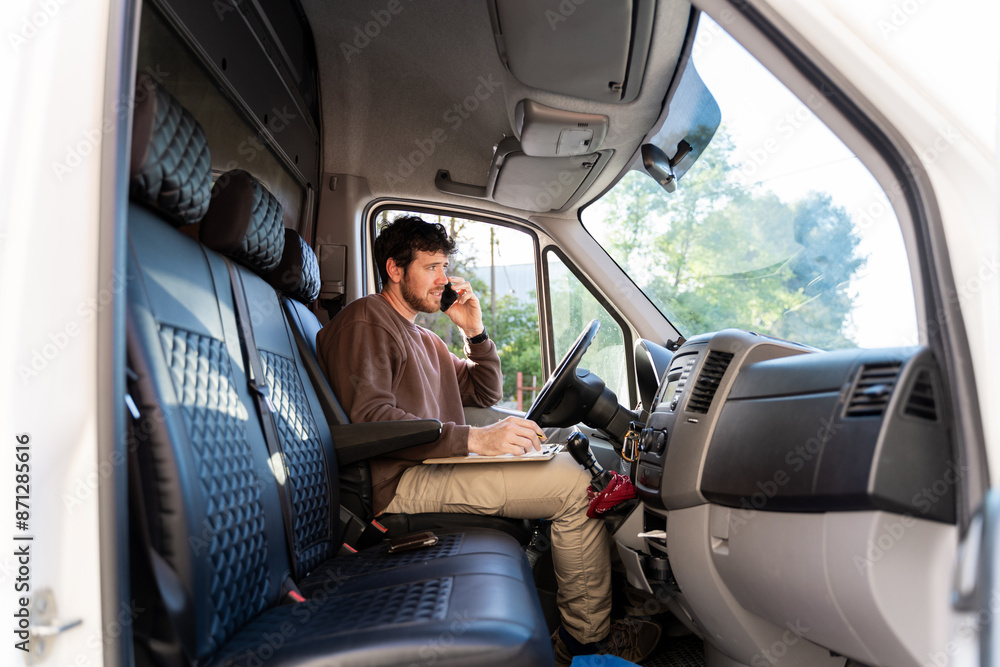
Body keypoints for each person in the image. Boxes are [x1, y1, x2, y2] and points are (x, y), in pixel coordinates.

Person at [316, 215, 660, 664]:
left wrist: (473, 332)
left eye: (445, 267)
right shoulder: (367, 321)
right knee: (577, 488)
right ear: (394, 269)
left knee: (567, 452)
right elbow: (372, 419)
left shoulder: (426, 338)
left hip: (434, 464)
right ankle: (582, 645)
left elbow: (484, 391)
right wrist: (477, 441)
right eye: (431, 267)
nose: (444, 279)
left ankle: (609, 614)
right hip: (398, 480)